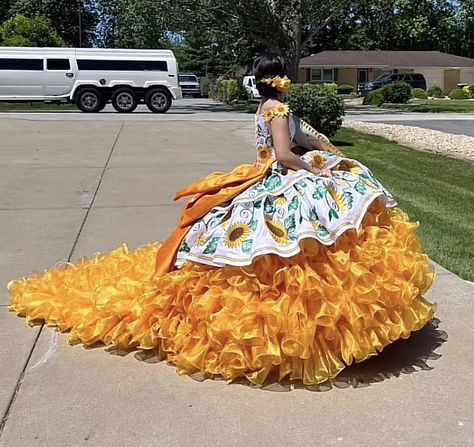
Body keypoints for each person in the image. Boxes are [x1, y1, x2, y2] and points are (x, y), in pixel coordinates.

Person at [8, 52, 435, 386]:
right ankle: (311, 333)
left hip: (260, 173)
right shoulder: (279, 110)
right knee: (303, 243)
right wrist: (317, 169)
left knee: (266, 249)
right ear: (282, 78)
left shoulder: (264, 107)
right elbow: (285, 155)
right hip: (280, 175)